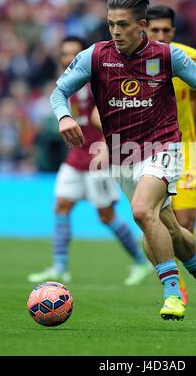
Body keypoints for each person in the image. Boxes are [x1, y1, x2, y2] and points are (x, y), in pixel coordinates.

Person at [50, 0, 196, 321]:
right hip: (123, 156)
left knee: (143, 211)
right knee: (167, 231)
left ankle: (173, 293)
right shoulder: (96, 56)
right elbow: (60, 91)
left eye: (123, 25)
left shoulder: (168, 56)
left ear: (141, 25)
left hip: (164, 146)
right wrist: (65, 115)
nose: (115, 31)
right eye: (111, 24)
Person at [28, 36, 152, 286]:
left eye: (74, 53)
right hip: (75, 157)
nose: (68, 58)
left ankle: (141, 261)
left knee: (106, 216)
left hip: (97, 157)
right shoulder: (65, 85)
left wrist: (108, 146)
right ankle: (60, 267)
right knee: (62, 206)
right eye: (64, 53)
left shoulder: (100, 81)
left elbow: (112, 116)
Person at [145, 5, 196, 306]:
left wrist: (191, 138)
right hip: (150, 151)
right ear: (144, 30)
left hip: (185, 151)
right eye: (155, 30)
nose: (161, 35)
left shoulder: (189, 57)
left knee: (185, 223)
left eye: (167, 30)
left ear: (174, 31)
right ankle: (174, 285)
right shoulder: (135, 61)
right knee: (154, 218)